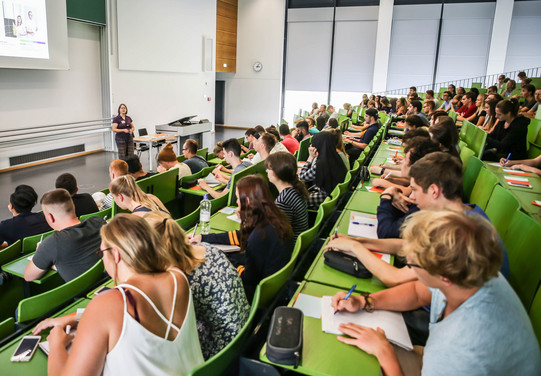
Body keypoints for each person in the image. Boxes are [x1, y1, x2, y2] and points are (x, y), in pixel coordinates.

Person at [330, 210, 540, 376]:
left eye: (413, 265)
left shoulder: (465, 345)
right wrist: (365, 301)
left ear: (444, 278)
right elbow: (417, 292)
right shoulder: (470, 272)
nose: (410, 267)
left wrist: (385, 353)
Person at [35, 214, 204, 375]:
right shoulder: (178, 277)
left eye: (101, 253)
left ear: (115, 254)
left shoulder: (109, 303)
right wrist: (78, 317)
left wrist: (56, 343)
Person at [331, 152, 510, 287]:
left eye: (415, 189)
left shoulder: (458, 232)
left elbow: (394, 278)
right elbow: (407, 244)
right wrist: (357, 241)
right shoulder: (461, 213)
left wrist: (354, 247)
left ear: (434, 190)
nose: (412, 197)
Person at [145, 212, 250, 360]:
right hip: (243, 330)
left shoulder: (181, 278)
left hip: (219, 350)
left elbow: (170, 330)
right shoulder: (207, 248)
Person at [190, 175, 293, 300]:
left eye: (238, 199)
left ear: (248, 201)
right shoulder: (272, 216)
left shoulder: (259, 235)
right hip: (273, 285)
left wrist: (224, 260)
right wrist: (203, 238)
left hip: (255, 291)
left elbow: (248, 277)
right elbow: (240, 236)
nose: (237, 202)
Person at [24, 189, 105, 282]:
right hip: (108, 281)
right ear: (73, 206)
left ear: (50, 217)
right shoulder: (98, 222)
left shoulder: (52, 243)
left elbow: (28, 276)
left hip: (83, 293)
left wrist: (41, 252)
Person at [265, 152, 309, 242]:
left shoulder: (283, 201)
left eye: (268, 169)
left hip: (290, 246)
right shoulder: (295, 189)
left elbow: (277, 235)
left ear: (276, 173)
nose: (266, 171)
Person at [300, 132, 348, 209]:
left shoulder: (321, 163)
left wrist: (310, 158)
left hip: (324, 195)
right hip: (330, 193)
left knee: (296, 201)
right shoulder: (335, 156)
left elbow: (302, 177)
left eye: (313, 144)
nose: (311, 146)